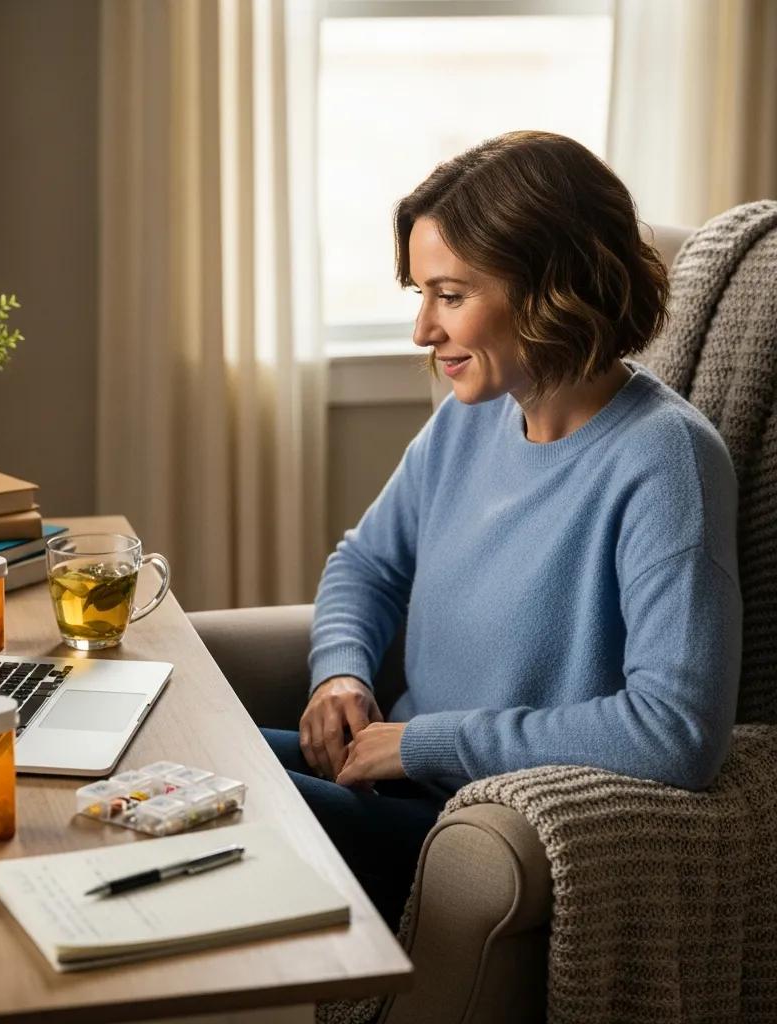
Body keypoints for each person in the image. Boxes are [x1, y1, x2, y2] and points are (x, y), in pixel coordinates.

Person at [263, 130, 742, 932]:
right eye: (420, 294)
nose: (422, 330)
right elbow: (367, 564)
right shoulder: (469, 420)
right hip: (396, 775)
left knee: (218, 807)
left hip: (478, 827)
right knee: (171, 768)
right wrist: (339, 674)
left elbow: (676, 731)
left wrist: (421, 744)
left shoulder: (667, 461)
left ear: (553, 288)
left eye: (450, 296)